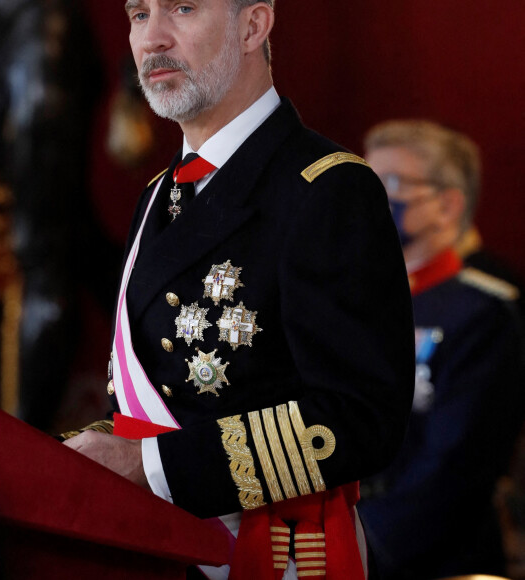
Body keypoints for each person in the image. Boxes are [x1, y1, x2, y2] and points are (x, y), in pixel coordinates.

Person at [63, 1, 415, 578]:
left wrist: (152, 466)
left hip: (274, 553)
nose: (152, 39)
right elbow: (147, 398)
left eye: (182, 8)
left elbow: (360, 417)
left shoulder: (328, 189)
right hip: (157, 545)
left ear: (253, 26)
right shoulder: (157, 196)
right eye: (137, 13)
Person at [358, 119, 525, 579]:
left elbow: (455, 465)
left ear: (447, 204)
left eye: (390, 183)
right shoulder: (356, 299)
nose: (371, 197)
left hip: (431, 557)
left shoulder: (483, 312)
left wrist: (366, 542)